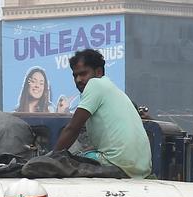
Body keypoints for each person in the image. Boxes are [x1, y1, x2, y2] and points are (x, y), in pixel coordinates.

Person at [53, 49, 152, 179]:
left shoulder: (95, 84)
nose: (78, 80)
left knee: (66, 162)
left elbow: (73, 128)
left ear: (98, 72)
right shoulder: (114, 91)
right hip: (141, 170)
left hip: (117, 163)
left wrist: (52, 159)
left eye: (83, 74)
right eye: (75, 75)